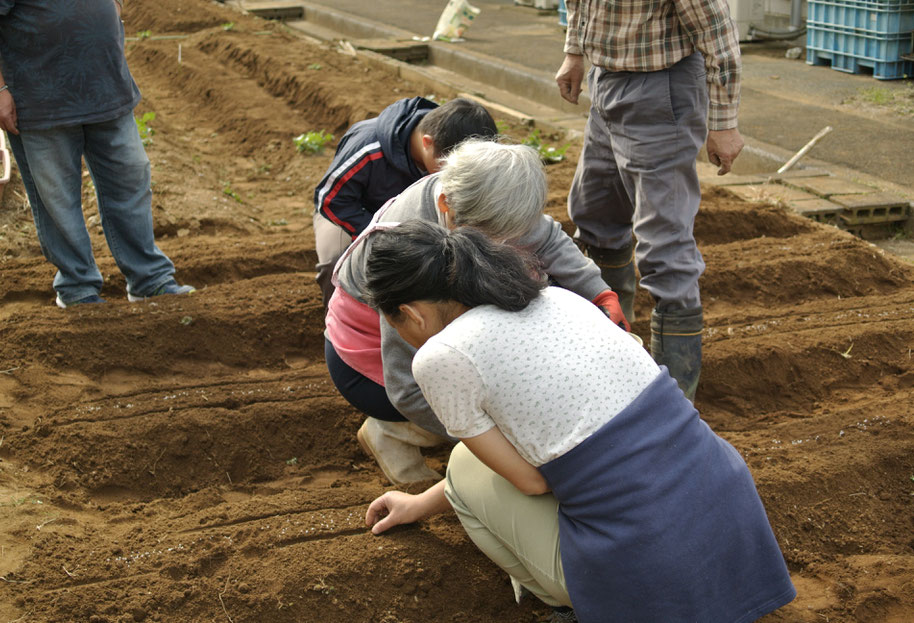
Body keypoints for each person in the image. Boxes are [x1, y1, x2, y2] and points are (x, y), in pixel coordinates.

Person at [362, 220, 796, 623]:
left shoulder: (441, 358)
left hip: (651, 566)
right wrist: (419, 504)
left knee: (463, 462)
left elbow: (534, 483)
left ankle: (567, 602)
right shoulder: (556, 298)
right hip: (732, 522)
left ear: (411, 314)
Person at [327, 139, 628, 485]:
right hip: (369, 362)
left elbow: (546, 237)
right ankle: (391, 432)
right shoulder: (405, 251)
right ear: (446, 206)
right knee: (487, 396)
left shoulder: (485, 197)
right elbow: (405, 386)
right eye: (490, 238)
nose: (499, 248)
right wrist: (500, 435)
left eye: (510, 237)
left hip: (428, 324)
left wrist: (600, 292)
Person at [555, 0, 746, 399]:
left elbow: (718, 33)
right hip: (607, 81)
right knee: (595, 215)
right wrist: (575, 52)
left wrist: (724, 123)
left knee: (664, 247)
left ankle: (673, 403)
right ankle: (612, 355)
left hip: (662, 90)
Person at [0, 0, 194, 308]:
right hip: (43, 99)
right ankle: (77, 288)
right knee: (57, 199)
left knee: (131, 181)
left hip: (107, 88)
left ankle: (149, 279)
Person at [313, 96, 497, 306]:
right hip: (353, 215)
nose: (453, 175)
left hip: (418, 218)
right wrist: (383, 235)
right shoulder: (368, 145)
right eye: (448, 167)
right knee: (337, 261)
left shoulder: (450, 139)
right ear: (427, 142)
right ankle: (339, 326)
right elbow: (330, 200)